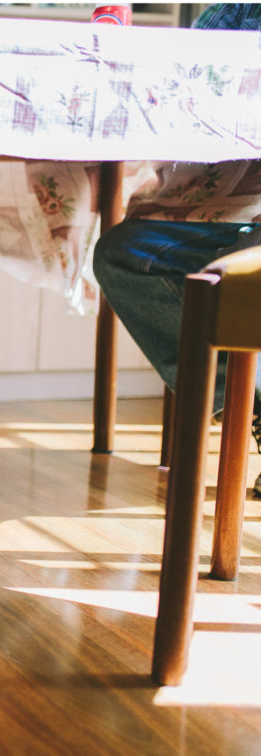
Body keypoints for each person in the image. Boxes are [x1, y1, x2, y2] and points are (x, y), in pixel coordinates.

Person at [91, 5, 261, 488]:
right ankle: (247, 398)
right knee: (124, 253)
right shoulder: (233, 12)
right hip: (233, 214)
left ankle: (249, 399)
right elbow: (182, 81)